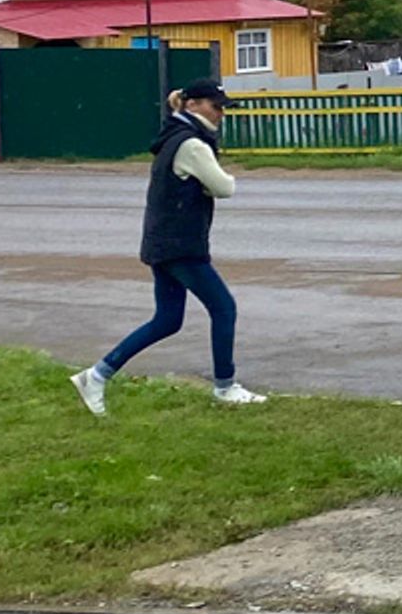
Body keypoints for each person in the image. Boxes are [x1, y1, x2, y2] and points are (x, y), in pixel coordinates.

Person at [71, 80, 267, 410]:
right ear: (192, 106)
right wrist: (214, 184)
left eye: (222, 108)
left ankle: (97, 375)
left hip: (161, 242)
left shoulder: (172, 137)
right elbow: (224, 187)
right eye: (215, 106)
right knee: (224, 308)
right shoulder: (192, 144)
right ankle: (225, 387)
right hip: (181, 246)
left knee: (167, 320)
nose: (221, 113)